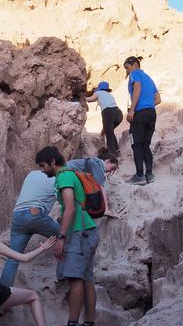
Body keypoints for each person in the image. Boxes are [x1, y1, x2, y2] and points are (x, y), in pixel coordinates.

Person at [36, 146, 100, 326]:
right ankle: (89, 324)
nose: (42, 170)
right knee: (87, 278)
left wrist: (61, 236)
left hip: (79, 232)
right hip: (89, 230)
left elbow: (70, 207)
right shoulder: (71, 174)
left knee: (75, 278)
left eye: (43, 165)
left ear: (53, 162)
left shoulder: (63, 176)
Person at [0, 170, 60, 288]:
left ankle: (2, 299)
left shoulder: (31, 174)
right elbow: (65, 202)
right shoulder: (56, 177)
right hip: (35, 214)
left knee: (12, 260)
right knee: (68, 239)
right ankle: (66, 280)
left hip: (17, 215)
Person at [123, 56, 161, 185]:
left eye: (127, 68)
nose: (127, 71)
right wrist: (148, 105)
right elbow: (158, 99)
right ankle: (149, 174)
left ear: (134, 64)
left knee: (136, 144)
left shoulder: (134, 74)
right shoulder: (149, 79)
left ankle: (139, 175)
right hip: (151, 114)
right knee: (145, 145)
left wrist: (132, 109)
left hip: (140, 114)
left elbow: (137, 88)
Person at [66, 149, 119, 215]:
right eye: (112, 168)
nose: (111, 171)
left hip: (65, 171)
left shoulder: (94, 161)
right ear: (108, 162)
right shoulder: (98, 165)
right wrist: (106, 209)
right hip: (67, 173)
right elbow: (101, 187)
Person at [85, 81, 123, 155]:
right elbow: (107, 123)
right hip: (118, 114)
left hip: (108, 112)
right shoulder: (110, 95)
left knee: (109, 133)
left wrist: (83, 99)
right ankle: (117, 151)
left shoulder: (98, 93)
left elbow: (91, 99)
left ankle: (111, 153)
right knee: (110, 131)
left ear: (100, 88)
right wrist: (104, 129)